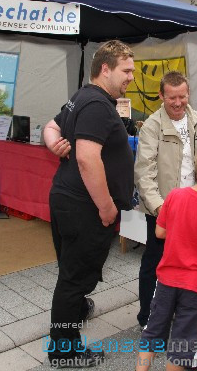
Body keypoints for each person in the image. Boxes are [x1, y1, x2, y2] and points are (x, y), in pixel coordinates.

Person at [42, 40, 135, 368]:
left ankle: (76, 311)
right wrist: (107, 206)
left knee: (72, 273)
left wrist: (54, 142)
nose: (131, 77)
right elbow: (86, 157)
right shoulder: (96, 103)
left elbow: (50, 126)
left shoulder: (83, 96)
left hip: (68, 199)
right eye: (126, 70)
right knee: (73, 279)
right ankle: (64, 351)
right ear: (105, 69)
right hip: (85, 206)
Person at [135, 145, 197, 371]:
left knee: (153, 330)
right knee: (183, 341)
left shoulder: (175, 196)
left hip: (167, 278)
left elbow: (160, 233)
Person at [134, 71, 197, 328]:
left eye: (182, 97)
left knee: (190, 265)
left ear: (188, 94)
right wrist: (161, 209)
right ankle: (147, 317)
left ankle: (181, 314)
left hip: (194, 206)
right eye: (172, 98)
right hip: (163, 210)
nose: (178, 103)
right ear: (161, 96)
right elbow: (144, 173)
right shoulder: (151, 126)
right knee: (155, 263)